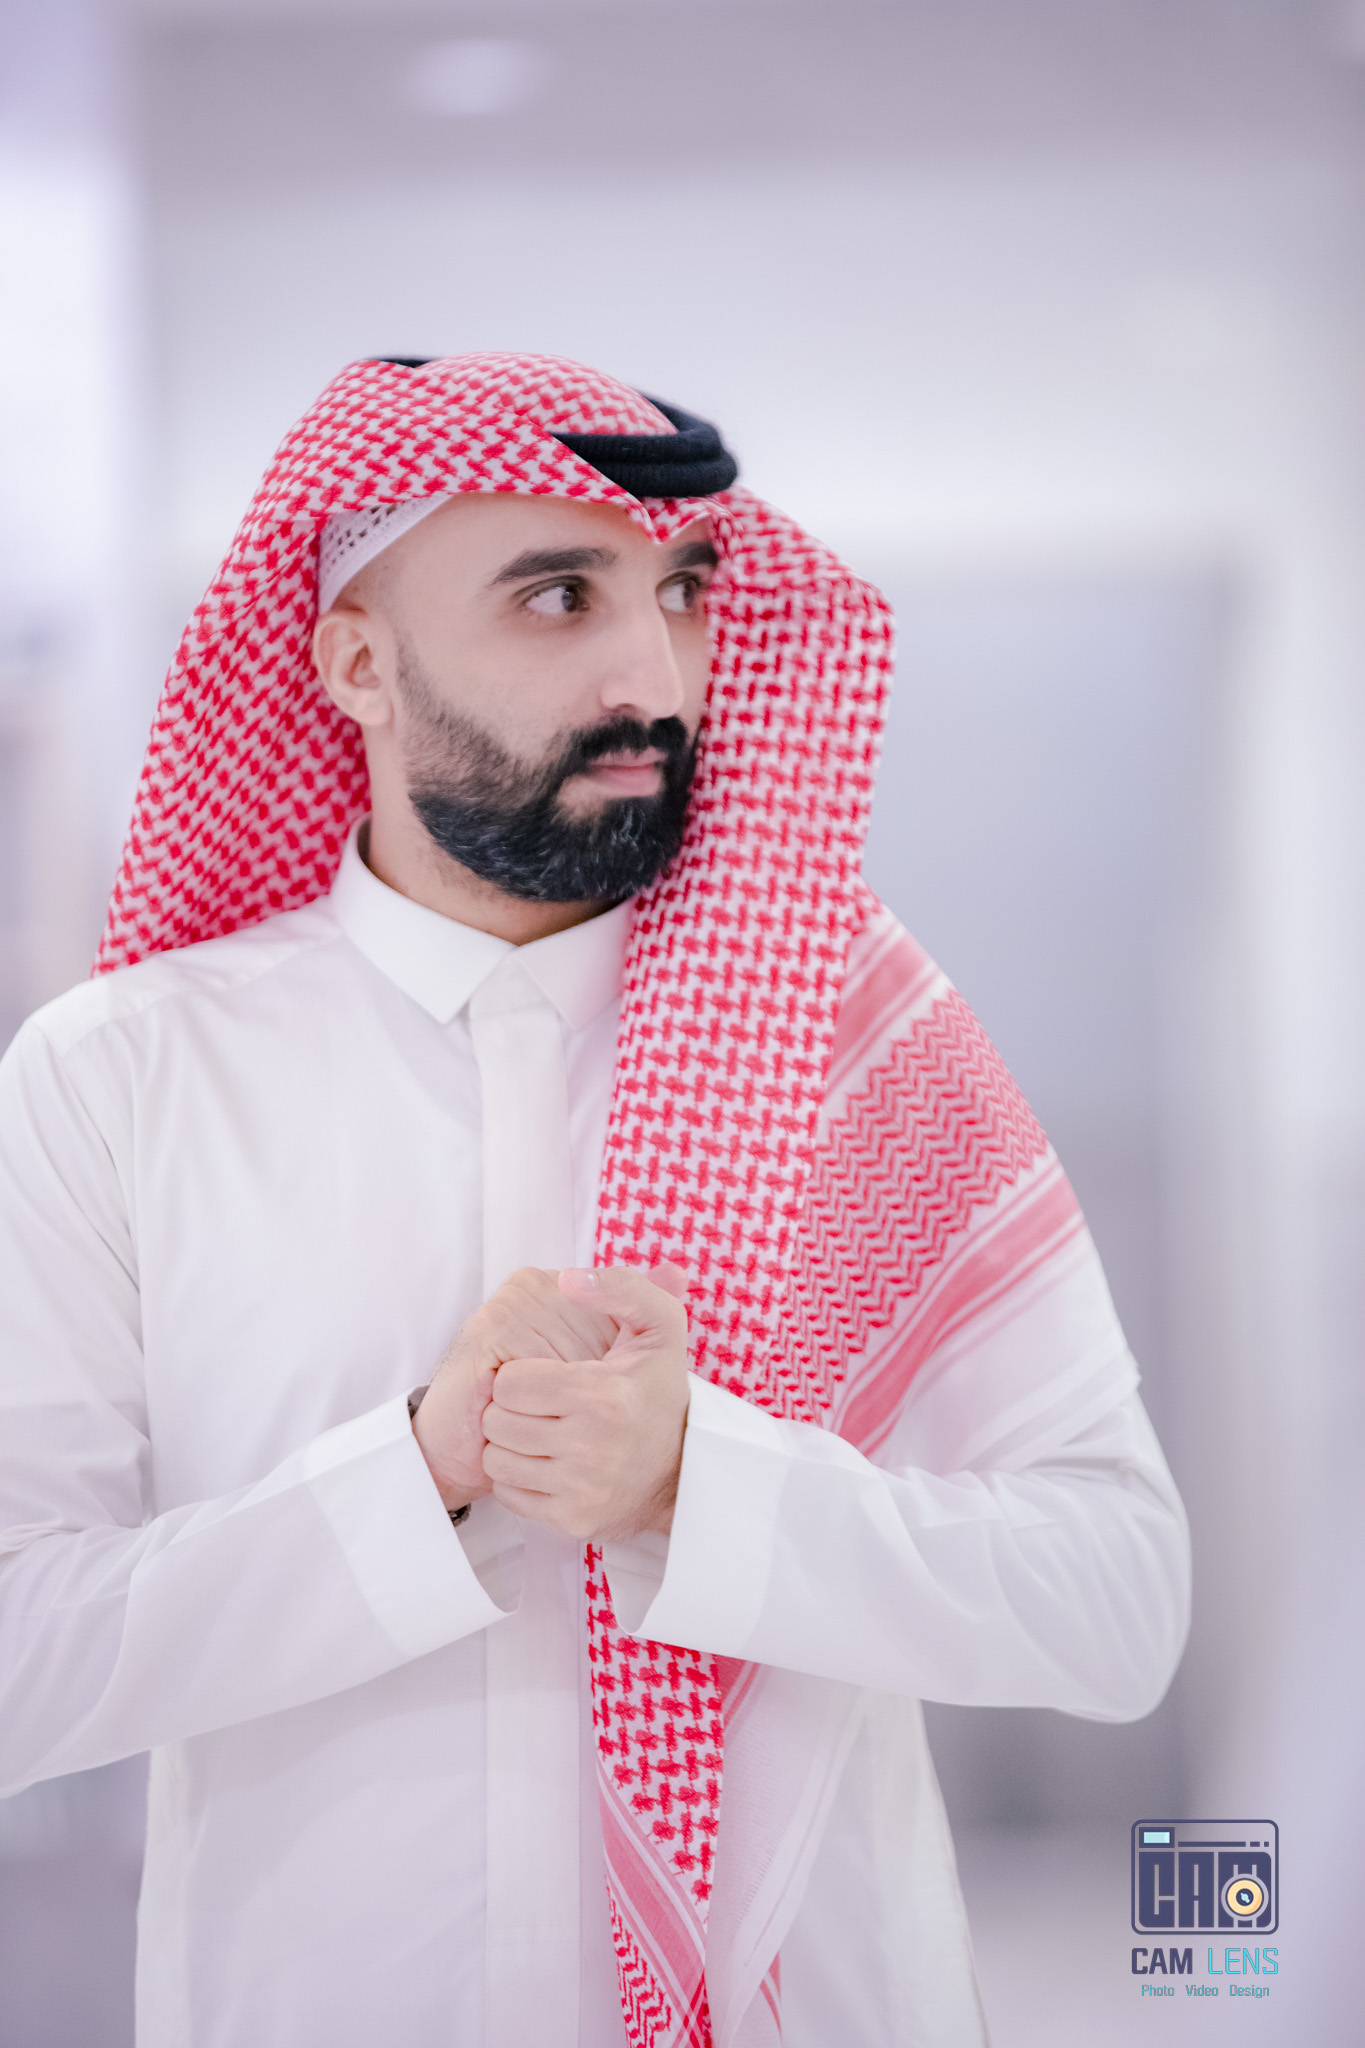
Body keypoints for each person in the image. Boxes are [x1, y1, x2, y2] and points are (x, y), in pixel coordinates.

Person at [0, 354, 1190, 2048]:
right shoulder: (121, 1077)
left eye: (681, 590)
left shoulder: (852, 1035)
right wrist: (418, 1479)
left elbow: (1117, 1601)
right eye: (557, 597)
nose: (654, 676)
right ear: (356, 661)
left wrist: (698, 1482)